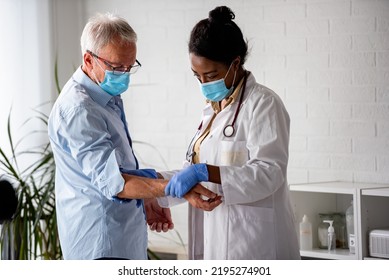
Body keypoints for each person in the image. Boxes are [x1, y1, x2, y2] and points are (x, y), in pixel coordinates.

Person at [48, 12, 220, 260]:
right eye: (117, 67)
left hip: (122, 238)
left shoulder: (105, 95)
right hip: (101, 244)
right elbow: (114, 183)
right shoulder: (79, 110)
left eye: (130, 67)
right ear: (88, 59)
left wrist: (148, 198)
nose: (124, 75)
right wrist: (173, 188)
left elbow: (117, 167)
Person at [161, 6, 300, 259]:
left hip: (254, 244)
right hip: (217, 237)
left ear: (235, 63)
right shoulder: (213, 110)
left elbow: (270, 172)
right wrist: (154, 185)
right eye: (198, 76)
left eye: (211, 74)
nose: (204, 84)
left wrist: (206, 171)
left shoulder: (263, 104)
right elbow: (190, 171)